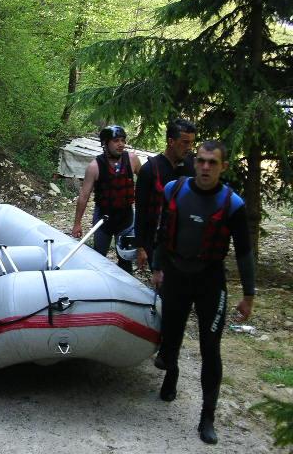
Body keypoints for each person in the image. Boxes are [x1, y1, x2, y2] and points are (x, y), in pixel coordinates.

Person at [151, 140, 255, 445]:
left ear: (223, 167)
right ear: (195, 162)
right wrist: (157, 267)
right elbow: (162, 232)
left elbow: (244, 253)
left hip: (210, 280)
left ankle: (207, 417)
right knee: (170, 337)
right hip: (175, 275)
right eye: (201, 161)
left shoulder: (232, 204)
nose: (206, 167)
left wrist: (248, 295)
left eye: (213, 162)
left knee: (210, 348)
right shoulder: (174, 190)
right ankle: (171, 372)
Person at [72, 125, 142, 272]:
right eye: (116, 141)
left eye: (122, 140)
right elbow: (84, 196)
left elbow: (146, 182)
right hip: (103, 219)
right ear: (105, 143)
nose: (121, 144)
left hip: (126, 218)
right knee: (99, 257)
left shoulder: (132, 160)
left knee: (126, 261)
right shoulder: (94, 167)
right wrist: (77, 223)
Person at [134, 119, 196, 270]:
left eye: (192, 143)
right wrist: (140, 247)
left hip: (184, 241)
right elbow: (141, 211)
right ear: (171, 141)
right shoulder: (149, 170)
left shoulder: (192, 166)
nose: (189, 147)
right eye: (185, 142)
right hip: (156, 241)